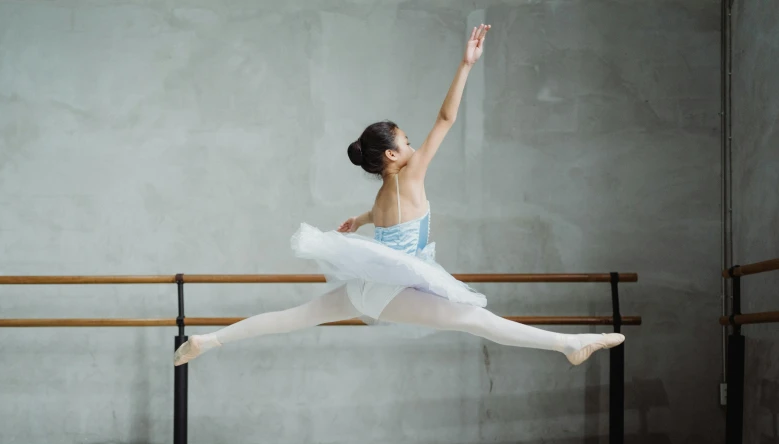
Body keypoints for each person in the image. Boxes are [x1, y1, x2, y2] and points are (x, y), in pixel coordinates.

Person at [174, 24, 624, 367]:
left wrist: (358, 220)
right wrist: (466, 64)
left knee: (295, 316)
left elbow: (381, 215)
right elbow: (446, 119)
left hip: (370, 287)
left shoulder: (389, 190)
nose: (413, 146)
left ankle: (210, 340)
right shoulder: (410, 176)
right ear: (393, 154)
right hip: (390, 288)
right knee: (475, 321)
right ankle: (568, 343)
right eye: (407, 141)